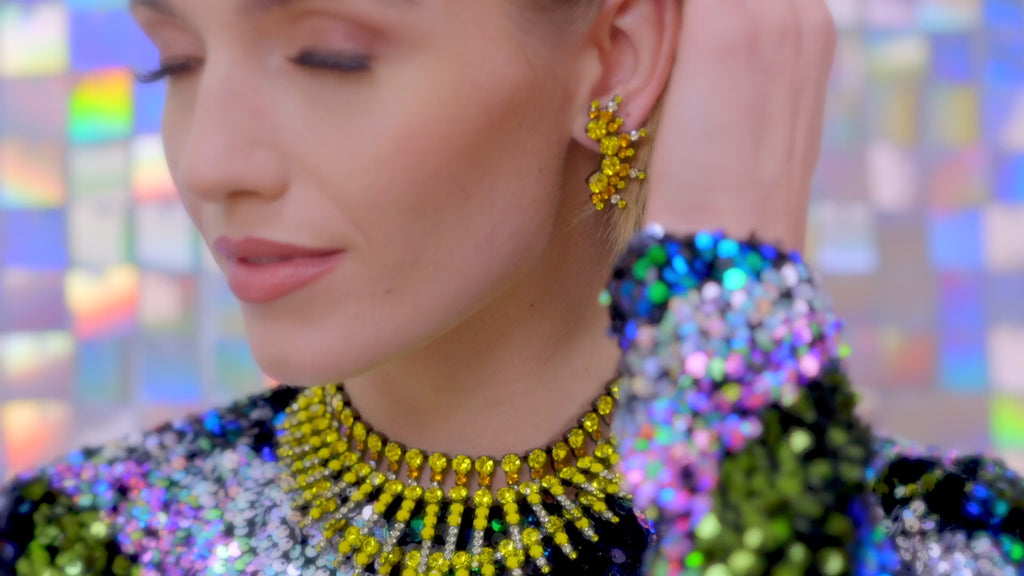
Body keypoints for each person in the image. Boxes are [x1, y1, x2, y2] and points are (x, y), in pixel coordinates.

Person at [1, 0, 1022, 575]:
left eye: (329, 59)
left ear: (613, 61)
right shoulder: (73, 542)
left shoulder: (950, 546)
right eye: (175, 63)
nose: (210, 159)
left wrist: (729, 281)